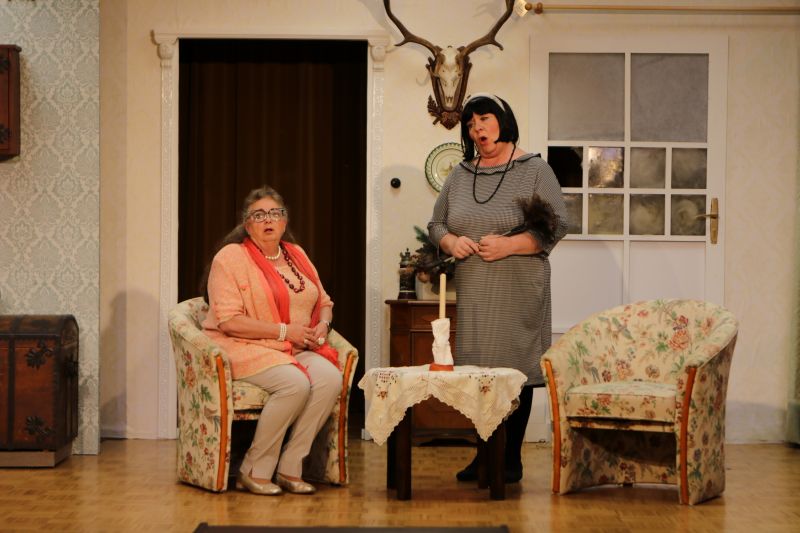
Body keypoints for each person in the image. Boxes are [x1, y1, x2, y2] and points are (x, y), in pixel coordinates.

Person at [427, 93, 568, 483]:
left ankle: (510, 460)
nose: (478, 129)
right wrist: (451, 242)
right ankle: (484, 455)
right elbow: (436, 224)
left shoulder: (534, 169)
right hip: (476, 289)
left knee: (514, 370)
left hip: (519, 286)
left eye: (484, 119)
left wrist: (510, 245)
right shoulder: (461, 174)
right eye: (471, 124)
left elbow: (557, 224)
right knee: (477, 371)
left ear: (503, 121)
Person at [202, 185, 342, 496]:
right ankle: (254, 470)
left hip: (293, 346)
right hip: (244, 345)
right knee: (295, 383)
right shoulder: (231, 257)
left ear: (284, 220)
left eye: (275, 213)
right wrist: (284, 331)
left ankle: (291, 467)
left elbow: (324, 302)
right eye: (259, 215)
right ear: (247, 224)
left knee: (330, 379)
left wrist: (323, 325)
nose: (268, 219)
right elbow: (229, 321)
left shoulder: (297, 254)